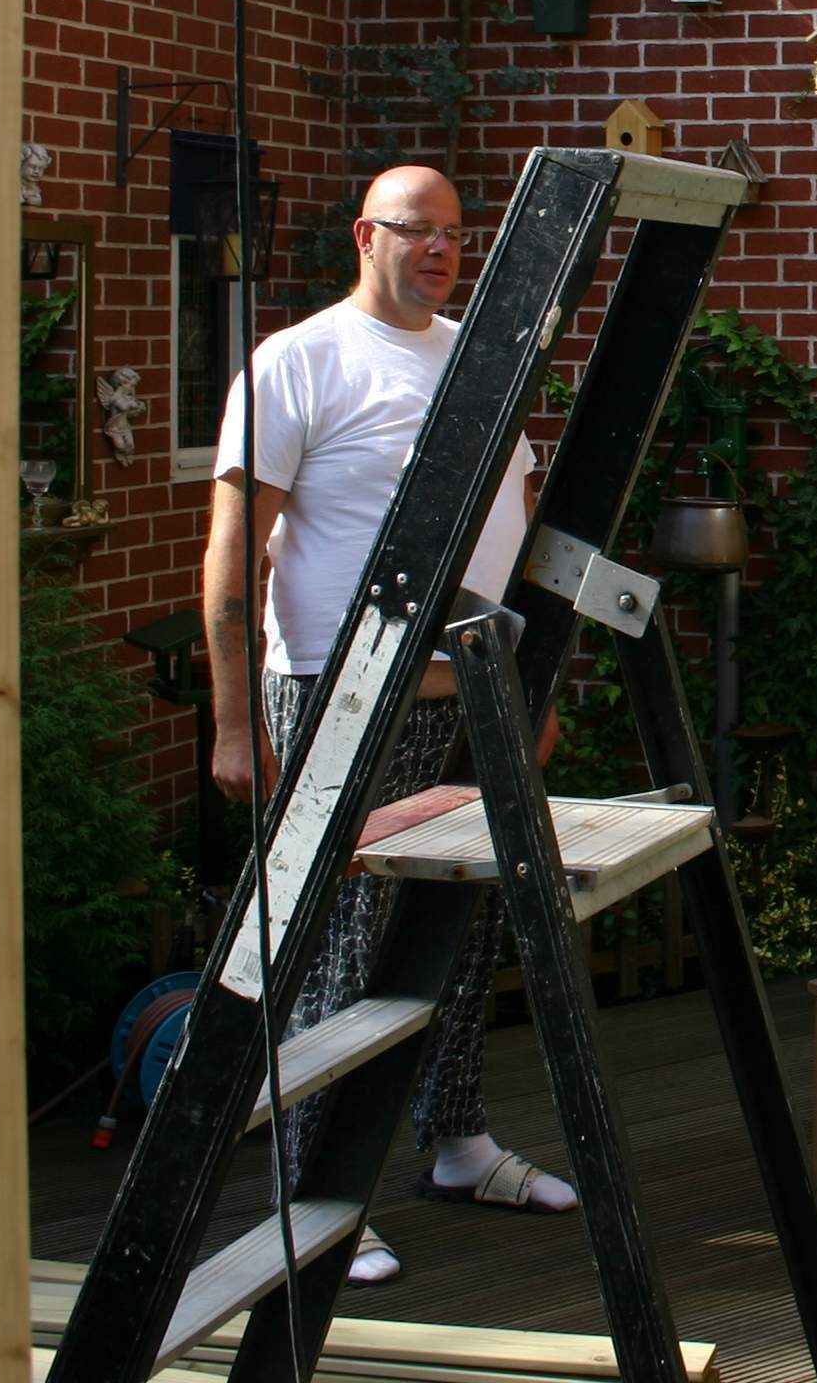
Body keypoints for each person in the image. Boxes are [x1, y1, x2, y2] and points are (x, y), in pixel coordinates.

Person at [205, 164, 571, 1286]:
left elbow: (516, 532)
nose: (442, 250)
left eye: (457, 234)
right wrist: (231, 721)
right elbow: (232, 556)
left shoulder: (479, 354)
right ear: (367, 233)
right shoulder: (296, 361)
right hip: (333, 695)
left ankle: (455, 1140)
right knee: (338, 950)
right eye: (419, 231)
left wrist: (530, 692)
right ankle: (319, 1194)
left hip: (473, 689)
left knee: (459, 928)